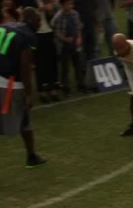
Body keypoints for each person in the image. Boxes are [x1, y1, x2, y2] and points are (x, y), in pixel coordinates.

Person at [0, 8, 46, 167]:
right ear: (31, 20)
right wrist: (28, 93)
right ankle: (31, 156)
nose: (40, 24)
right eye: (38, 20)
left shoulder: (7, 26)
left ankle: (32, 156)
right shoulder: (29, 37)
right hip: (10, 84)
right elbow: (25, 67)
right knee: (24, 120)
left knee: (24, 120)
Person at [51, 0, 85, 95]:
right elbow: (56, 32)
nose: (70, 6)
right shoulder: (58, 17)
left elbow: (78, 27)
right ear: (62, 5)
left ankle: (81, 84)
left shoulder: (75, 14)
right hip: (64, 46)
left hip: (75, 43)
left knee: (78, 64)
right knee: (65, 67)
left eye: (71, 4)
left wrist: (79, 37)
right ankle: (65, 87)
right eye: (68, 4)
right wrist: (65, 39)